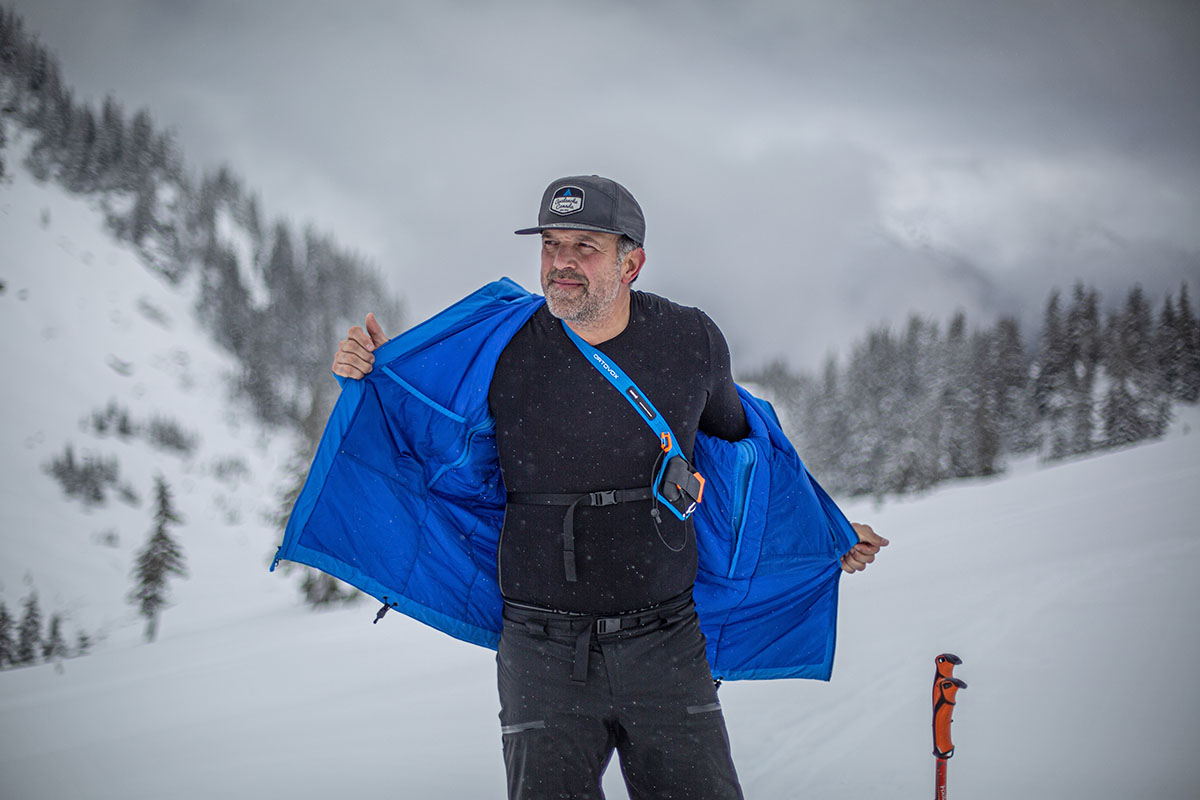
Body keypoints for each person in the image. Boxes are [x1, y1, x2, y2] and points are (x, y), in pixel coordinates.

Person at [331, 175, 887, 799]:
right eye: (551, 245)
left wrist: (828, 529)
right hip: (541, 650)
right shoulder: (501, 347)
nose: (561, 264)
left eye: (584, 247)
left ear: (632, 262)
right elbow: (420, 430)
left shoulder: (690, 341)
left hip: (667, 640)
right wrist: (375, 372)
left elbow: (749, 459)